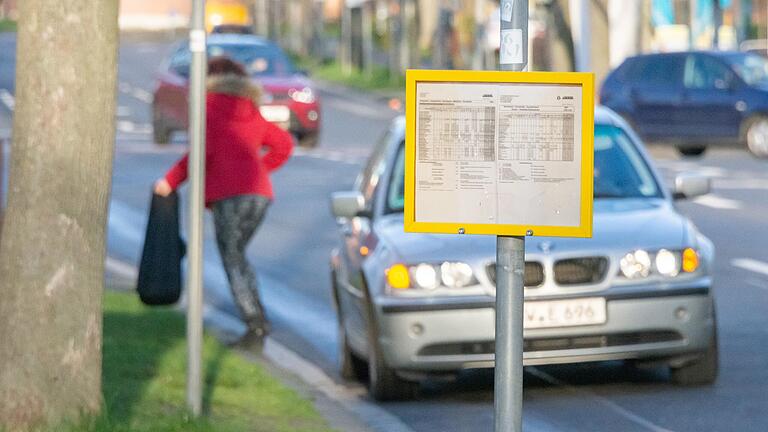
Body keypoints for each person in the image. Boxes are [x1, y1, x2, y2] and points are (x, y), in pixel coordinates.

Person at [154, 56, 293, 348]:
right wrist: (257, 169)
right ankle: (258, 318)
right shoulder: (250, 109)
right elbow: (283, 144)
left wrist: (170, 180)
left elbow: (200, 153)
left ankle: (255, 325)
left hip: (229, 197)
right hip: (259, 195)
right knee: (238, 256)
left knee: (232, 258)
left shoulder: (209, 107)